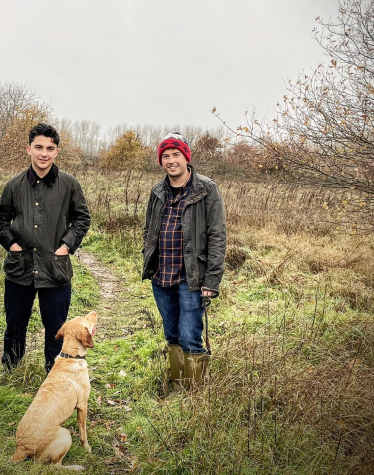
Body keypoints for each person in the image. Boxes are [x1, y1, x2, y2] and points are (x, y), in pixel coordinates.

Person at [0, 123, 90, 373]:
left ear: (56, 152)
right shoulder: (14, 185)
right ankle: (11, 372)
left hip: (55, 268)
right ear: (29, 149)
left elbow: (82, 219)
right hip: (20, 268)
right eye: (38, 147)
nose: (44, 153)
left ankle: (54, 374)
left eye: (50, 148)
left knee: (56, 328)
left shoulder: (69, 184)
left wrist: (65, 247)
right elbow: (1, 220)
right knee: (15, 324)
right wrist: (13, 245)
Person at [142, 132, 226, 394]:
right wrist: (148, 257)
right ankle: (178, 387)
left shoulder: (206, 189)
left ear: (186, 158)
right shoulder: (157, 191)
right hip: (161, 276)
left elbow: (217, 235)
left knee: (190, 335)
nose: (170, 160)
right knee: (172, 335)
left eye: (176, 154)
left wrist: (211, 280)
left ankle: (194, 393)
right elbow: (148, 229)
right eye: (165, 156)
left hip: (192, 278)